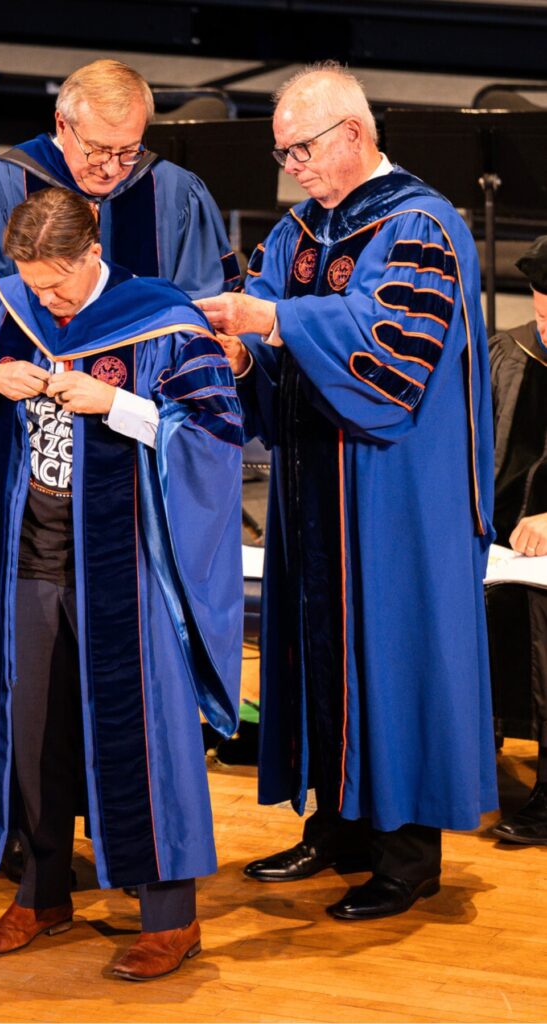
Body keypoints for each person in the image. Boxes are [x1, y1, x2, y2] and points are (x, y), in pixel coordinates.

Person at [0, 187, 243, 978]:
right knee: (32, 732)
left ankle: (169, 917)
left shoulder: (160, 321)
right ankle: (41, 889)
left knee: (145, 735)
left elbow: (219, 434)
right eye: (30, 283)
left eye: (55, 284)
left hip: (125, 567)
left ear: (93, 253)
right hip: (19, 557)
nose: (43, 300)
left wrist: (117, 402)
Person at [196, 61, 498, 921]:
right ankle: (333, 826)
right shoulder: (294, 235)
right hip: (310, 482)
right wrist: (237, 349)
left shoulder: (420, 227)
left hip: (393, 491)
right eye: (281, 151)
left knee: (392, 656)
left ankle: (404, 859)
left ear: (354, 136)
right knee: (312, 650)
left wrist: (275, 323)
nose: (289, 165)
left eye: (301, 148)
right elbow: (259, 322)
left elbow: (388, 350)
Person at [0, 58, 240, 322]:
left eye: (129, 150)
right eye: (97, 149)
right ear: (61, 124)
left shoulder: (175, 191)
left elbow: (206, 300)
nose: (112, 168)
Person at [487, 235, 547, 845]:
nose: (545, 308)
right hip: (498, 549)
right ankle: (473, 762)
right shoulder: (506, 353)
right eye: (538, 292)